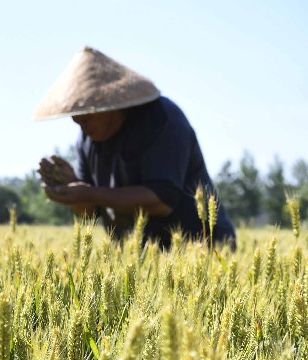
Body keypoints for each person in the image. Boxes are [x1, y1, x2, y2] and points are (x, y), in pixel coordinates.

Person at [34, 47, 236, 249]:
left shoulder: (162, 121)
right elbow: (89, 212)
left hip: (202, 250)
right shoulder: (88, 137)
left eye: (87, 115)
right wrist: (71, 190)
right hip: (136, 257)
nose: (80, 123)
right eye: (76, 117)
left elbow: (160, 200)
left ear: (111, 103)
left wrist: (88, 193)